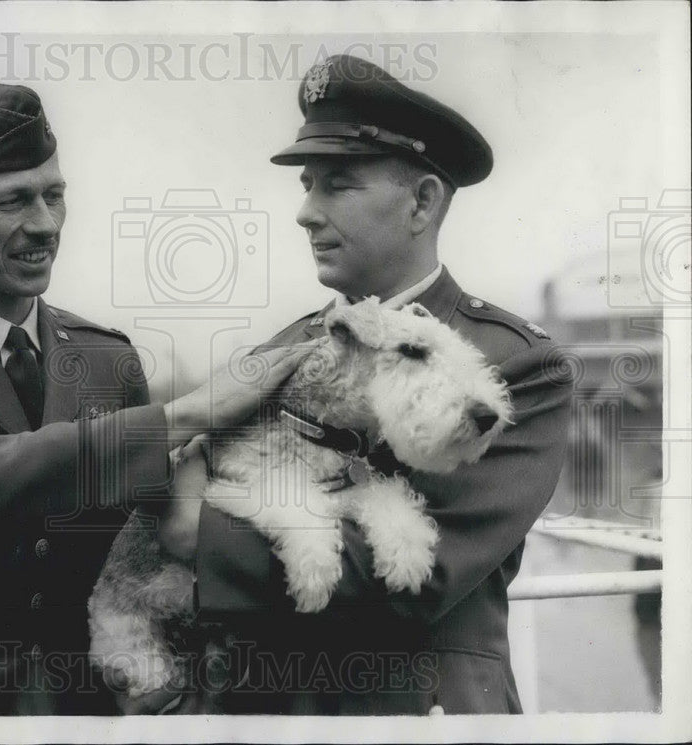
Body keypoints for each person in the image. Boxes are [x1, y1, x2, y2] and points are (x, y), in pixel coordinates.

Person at [0, 83, 312, 716]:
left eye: (54, 195)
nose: (44, 225)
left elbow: (144, 546)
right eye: (12, 201)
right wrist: (186, 415)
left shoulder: (106, 359)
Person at [157, 55, 574, 715]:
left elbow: (414, 579)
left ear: (421, 202)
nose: (305, 212)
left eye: (338, 185)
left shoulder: (512, 366)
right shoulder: (279, 354)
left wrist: (191, 531)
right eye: (307, 185)